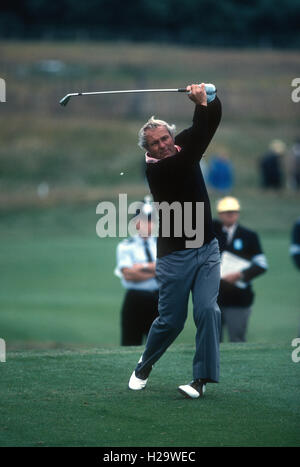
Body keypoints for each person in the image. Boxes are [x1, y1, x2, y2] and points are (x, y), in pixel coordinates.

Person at [128, 83, 222, 399]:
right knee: (171, 321)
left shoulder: (181, 147)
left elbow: (208, 125)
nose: (163, 145)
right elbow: (201, 133)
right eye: (155, 144)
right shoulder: (159, 170)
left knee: (208, 311)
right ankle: (144, 365)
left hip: (207, 248)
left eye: (166, 138)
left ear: (171, 135)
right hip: (174, 256)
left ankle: (202, 379)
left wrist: (211, 96)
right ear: (148, 150)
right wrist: (201, 103)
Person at [212, 196, 268, 342]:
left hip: (239, 297)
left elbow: (262, 264)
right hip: (213, 295)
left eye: (233, 211)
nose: (230, 214)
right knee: (212, 340)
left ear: (238, 213)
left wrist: (241, 274)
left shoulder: (249, 236)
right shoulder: (211, 233)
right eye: (226, 211)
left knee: (237, 339)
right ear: (219, 214)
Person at [115, 199, 159, 345]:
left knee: (158, 346)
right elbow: (128, 274)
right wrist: (155, 270)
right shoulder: (126, 246)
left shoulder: (161, 244)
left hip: (158, 299)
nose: (148, 224)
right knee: (130, 344)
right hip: (135, 300)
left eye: (150, 219)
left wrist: (140, 267)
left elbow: (168, 268)